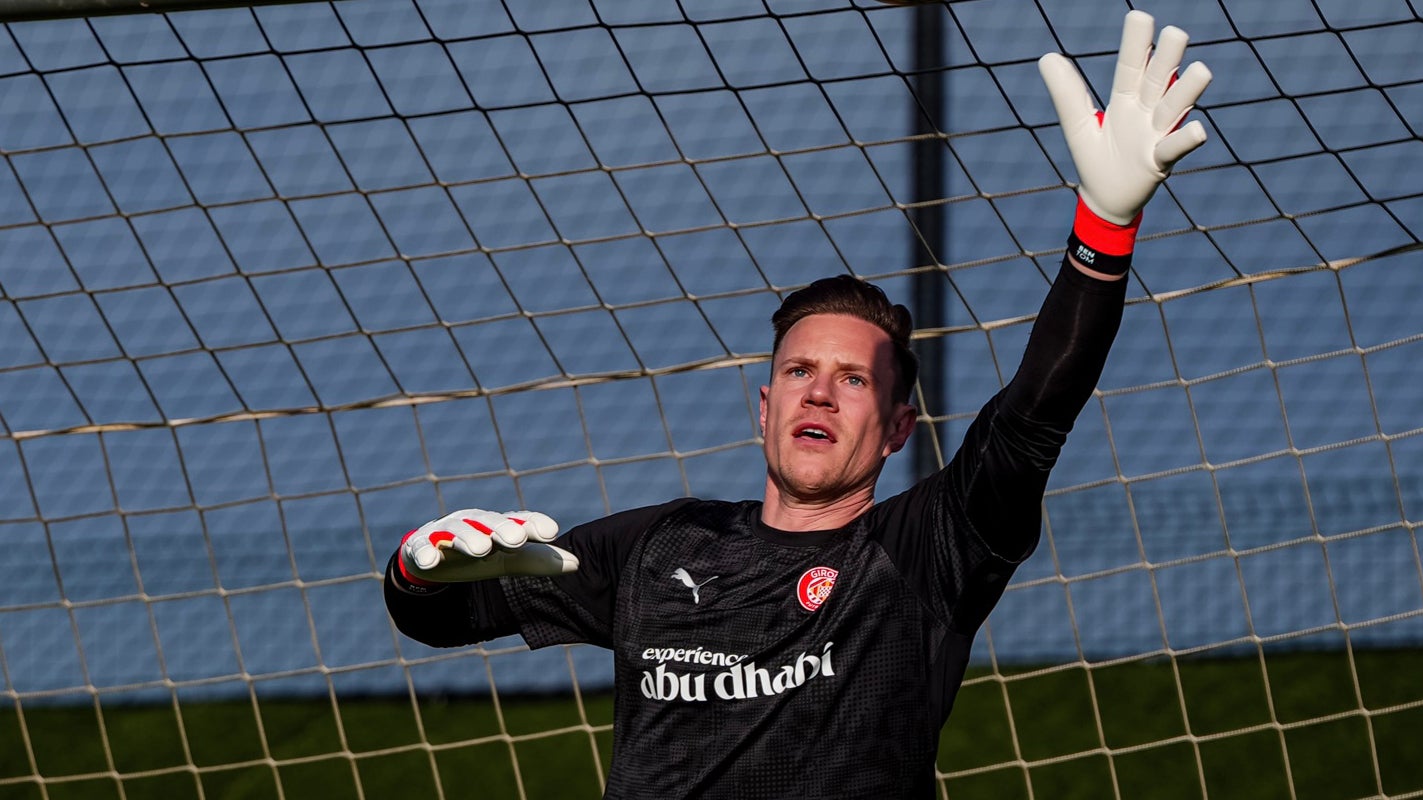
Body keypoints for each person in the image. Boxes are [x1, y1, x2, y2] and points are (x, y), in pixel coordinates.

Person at [384, 11, 1211, 798]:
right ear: (762, 406)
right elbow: (446, 618)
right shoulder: (661, 546)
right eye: (798, 372)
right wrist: (415, 575)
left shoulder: (922, 555)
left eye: (853, 379)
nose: (818, 389)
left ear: (897, 428)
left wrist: (1105, 223)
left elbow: (1034, 412)